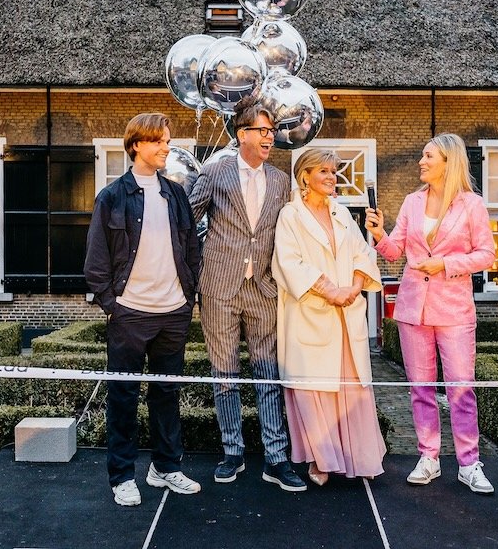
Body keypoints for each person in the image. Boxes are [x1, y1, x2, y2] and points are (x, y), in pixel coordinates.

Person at [367, 133, 497, 495]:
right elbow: (394, 251)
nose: (421, 162)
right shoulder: (412, 202)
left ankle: (469, 463)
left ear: (448, 162)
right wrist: (378, 234)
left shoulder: (472, 205)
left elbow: (486, 254)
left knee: (461, 389)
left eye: (428, 156)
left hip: (454, 310)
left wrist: (445, 264)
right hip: (413, 309)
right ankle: (429, 456)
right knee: (420, 389)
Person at [189, 97, 306, 492]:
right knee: (224, 373)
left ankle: (276, 458)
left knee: (268, 373)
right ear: (242, 134)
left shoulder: (281, 180)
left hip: (264, 289)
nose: (270, 137)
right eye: (263, 131)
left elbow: (292, 232)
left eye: (272, 131)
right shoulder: (215, 172)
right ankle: (232, 452)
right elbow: (187, 221)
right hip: (219, 288)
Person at [84, 112, 202, 506]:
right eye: (159, 141)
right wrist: (112, 306)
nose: (167, 147)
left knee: (167, 393)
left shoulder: (176, 194)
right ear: (136, 145)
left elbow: (191, 248)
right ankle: (122, 477)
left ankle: (165, 468)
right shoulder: (112, 197)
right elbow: (96, 260)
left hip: (174, 311)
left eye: (167, 140)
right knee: (123, 396)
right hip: (129, 313)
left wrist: (187, 297)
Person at [272, 148, 387, 484]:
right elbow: (289, 263)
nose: (331, 177)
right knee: (314, 389)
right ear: (305, 175)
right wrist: (330, 290)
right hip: (311, 313)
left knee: (351, 389)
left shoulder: (341, 212)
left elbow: (362, 253)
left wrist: (354, 287)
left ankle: (358, 458)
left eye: (333, 172)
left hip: (346, 315)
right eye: (323, 171)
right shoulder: (290, 215)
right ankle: (321, 460)